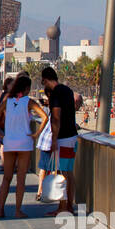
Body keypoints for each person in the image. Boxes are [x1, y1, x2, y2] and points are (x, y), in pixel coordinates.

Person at [0, 75, 49, 218]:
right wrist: (36, 134)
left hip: (9, 141)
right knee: (21, 178)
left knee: (7, 178)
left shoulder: (7, 101)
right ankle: (17, 210)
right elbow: (45, 117)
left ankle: (0, 209)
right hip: (25, 142)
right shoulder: (29, 102)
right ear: (27, 88)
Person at [41, 67, 80, 215]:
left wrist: (54, 139)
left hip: (63, 137)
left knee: (63, 173)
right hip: (72, 136)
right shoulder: (67, 90)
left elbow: (56, 117)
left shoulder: (56, 93)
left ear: (45, 80)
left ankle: (63, 207)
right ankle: (69, 205)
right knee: (69, 172)